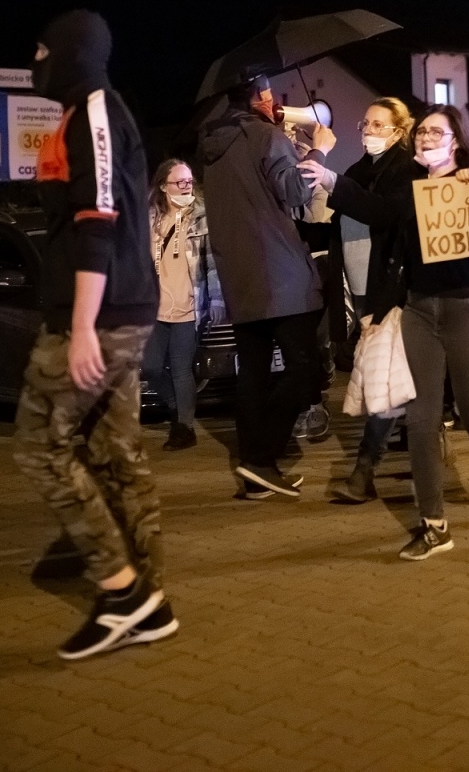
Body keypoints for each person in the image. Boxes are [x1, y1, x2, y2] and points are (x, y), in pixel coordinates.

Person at [301, 105, 469, 558]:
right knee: (420, 420)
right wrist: (331, 180)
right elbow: (376, 210)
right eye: (419, 132)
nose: (424, 138)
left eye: (435, 131)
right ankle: (433, 524)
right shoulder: (411, 190)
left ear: (456, 140)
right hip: (419, 311)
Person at [11, 10, 174, 660]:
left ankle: (123, 592)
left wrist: (81, 327)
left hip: (102, 318)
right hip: (119, 312)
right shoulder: (80, 114)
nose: (36, 58)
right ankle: (150, 602)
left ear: (74, 55)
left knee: (38, 448)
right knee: (116, 453)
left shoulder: (96, 112)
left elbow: (97, 220)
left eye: (43, 47)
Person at [199, 73, 332, 499]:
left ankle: (256, 472)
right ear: (257, 96)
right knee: (304, 369)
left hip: (241, 275)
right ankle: (260, 455)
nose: (275, 99)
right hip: (281, 275)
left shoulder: (213, 145)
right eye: (270, 92)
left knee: (252, 374)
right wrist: (318, 150)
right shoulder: (263, 136)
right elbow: (293, 191)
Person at [319, 97, 415, 502]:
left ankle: (364, 471)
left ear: (399, 130)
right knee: (402, 379)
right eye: (365, 124)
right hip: (359, 290)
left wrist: (334, 183)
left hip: (390, 291)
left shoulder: (407, 171)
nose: (369, 131)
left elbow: (383, 213)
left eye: (379, 125)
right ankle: (421, 436)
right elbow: (336, 224)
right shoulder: (359, 170)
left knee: (382, 378)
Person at [144, 159, 224, 452]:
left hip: (189, 307)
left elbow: (212, 261)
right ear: (163, 186)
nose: (186, 187)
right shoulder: (149, 217)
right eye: (179, 182)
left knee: (180, 369)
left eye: (189, 181)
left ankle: (184, 426)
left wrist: (216, 299)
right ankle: (178, 406)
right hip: (155, 307)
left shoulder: (201, 216)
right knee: (150, 366)